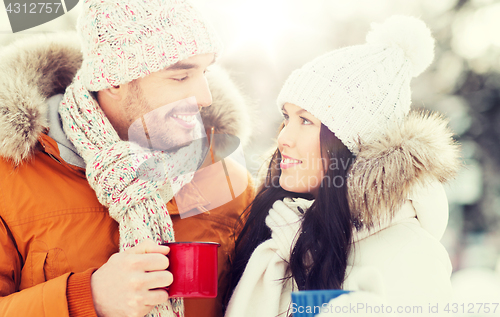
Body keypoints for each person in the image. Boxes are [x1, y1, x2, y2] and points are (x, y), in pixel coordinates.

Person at [0, 0, 254, 316]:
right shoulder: (11, 177)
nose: (205, 98)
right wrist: (86, 297)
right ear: (113, 81)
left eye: (204, 72)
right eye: (180, 77)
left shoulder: (225, 177)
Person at [224, 15, 461, 317]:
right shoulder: (278, 229)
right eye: (287, 118)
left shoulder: (411, 255)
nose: (283, 137)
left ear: (350, 145)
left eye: (306, 121)